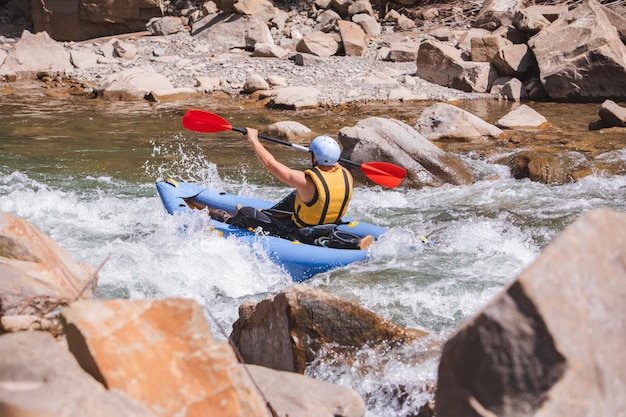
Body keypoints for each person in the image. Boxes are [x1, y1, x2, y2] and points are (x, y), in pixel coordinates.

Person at [212, 128, 374, 250]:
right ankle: (269, 214)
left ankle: (227, 221)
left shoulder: (306, 181)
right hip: (329, 225)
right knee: (295, 196)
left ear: (315, 157)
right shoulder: (347, 175)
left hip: (300, 233)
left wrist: (254, 140)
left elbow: (270, 164)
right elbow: (331, 163)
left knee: (246, 213)